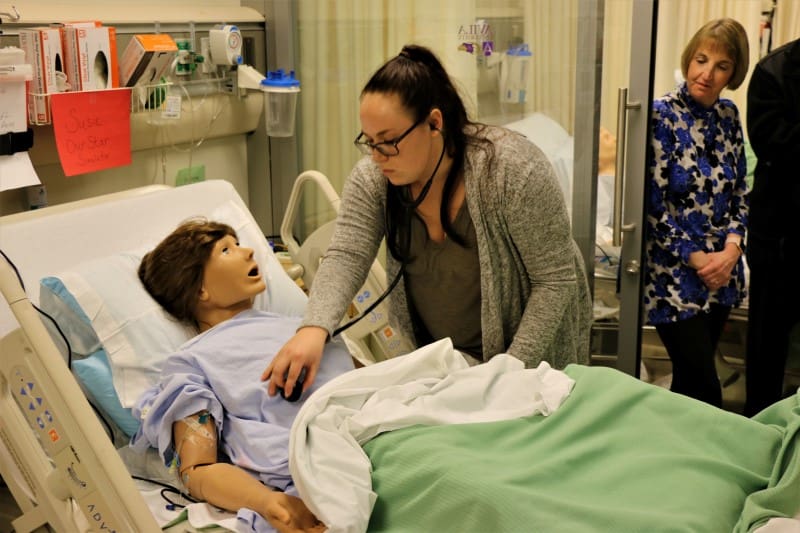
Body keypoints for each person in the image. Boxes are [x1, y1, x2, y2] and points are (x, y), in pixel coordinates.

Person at [263, 44, 592, 399]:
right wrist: (313, 329)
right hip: (447, 366)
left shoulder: (512, 171)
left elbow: (555, 280)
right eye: (368, 142)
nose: (377, 157)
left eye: (388, 142)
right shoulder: (374, 178)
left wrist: (508, 374)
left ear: (435, 123)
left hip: (530, 359)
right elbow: (347, 255)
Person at [130, 219, 355, 533]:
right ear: (200, 290)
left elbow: (367, 380)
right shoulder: (194, 362)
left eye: (238, 243)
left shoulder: (308, 325)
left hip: (379, 426)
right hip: (331, 465)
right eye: (226, 249)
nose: (249, 251)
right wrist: (267, 502)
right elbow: (197, 469)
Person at [643, 18, 749, 407]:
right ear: (689, 59)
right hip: (674, 275)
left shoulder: (729, 116)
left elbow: (740, 189)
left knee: (690, 387)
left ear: (733, 73)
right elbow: (652, 205)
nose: (707, 74)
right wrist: (701, 259)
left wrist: (732, 250)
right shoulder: (661, 116)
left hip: (722, 273)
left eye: (721, 66)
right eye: (701, 60)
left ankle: (674, 460)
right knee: (706, 387)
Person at [744, 37, 800, 417]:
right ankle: (760, 433)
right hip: (778, 241)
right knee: (766, 350)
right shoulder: (773, 70)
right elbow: (774, 147)